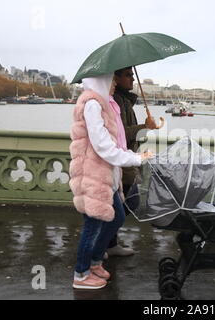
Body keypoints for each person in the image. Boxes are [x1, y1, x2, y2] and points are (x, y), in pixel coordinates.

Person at [69, 73, 153, 290]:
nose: (115, 82)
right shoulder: (92, 105)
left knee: (116, 218)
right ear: (102, 80)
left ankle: (95, 261)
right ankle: (81, 274)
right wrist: (135, 158)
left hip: (106, 175)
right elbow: (103, 145)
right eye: (112, 79)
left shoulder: (104, 104)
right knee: (92, 225)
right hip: (93, 176)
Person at [105, 67, 158, 258]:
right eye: (128, 74)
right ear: (115, 78)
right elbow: (121, 135)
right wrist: (145, 127)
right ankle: (104, 242)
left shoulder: (124, 100)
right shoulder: (117, 101)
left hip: (126, 159)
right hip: (121, 161)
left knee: (122, 204)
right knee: (127, 203)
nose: (132, 78)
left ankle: (109, 242)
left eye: (132, 74)